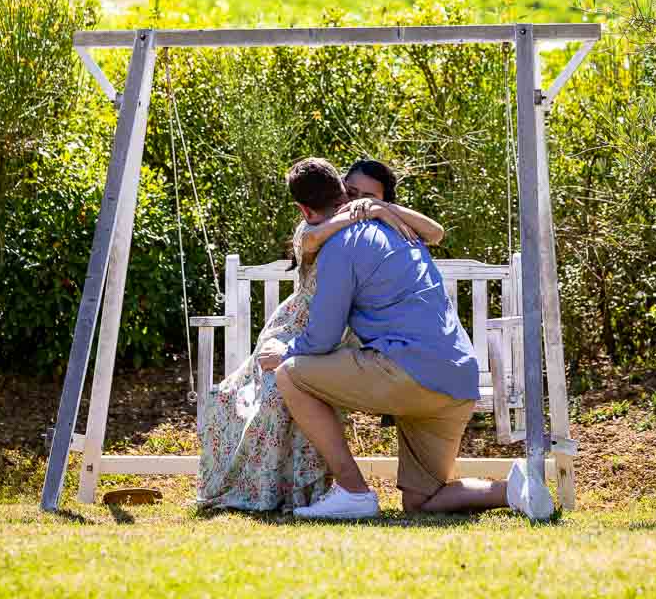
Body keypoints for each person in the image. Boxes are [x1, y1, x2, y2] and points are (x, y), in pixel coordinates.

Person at [260, 158, 553, 522]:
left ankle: (353, 491)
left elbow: (322, 338)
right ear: (343, 192)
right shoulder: (399, 230)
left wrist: (284, 351)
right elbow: (431, 232)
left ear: (304, 209)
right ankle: (516, 490)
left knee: (290, 373)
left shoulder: (340, 245)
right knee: (421, 501)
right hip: (455, 381)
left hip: (408, 374)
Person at [196, 157, 443, 512]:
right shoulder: (320, 226)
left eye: (367, 196)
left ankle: (310, 492)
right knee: (252, 392)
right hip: (295, 330)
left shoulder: (380, 230)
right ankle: (267, 491)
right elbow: (310, 238)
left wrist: (378, 209)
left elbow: (435, 233)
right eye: (351, 192)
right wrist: (365, 211)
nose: (356, 201)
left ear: (386, 199)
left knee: (290, 387)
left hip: (341, 341)